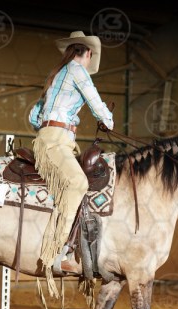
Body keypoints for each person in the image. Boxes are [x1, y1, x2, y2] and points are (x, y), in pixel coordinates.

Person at [29, 31, 114, 275]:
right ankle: (58, 252)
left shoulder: (56, 74)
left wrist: (50, 125)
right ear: (88, 52)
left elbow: (34, 116)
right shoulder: (77, 70)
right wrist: (108, 120)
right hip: (57, 141)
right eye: (90, 55)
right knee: (77, 183)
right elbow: (94, 100)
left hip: (51, 138)